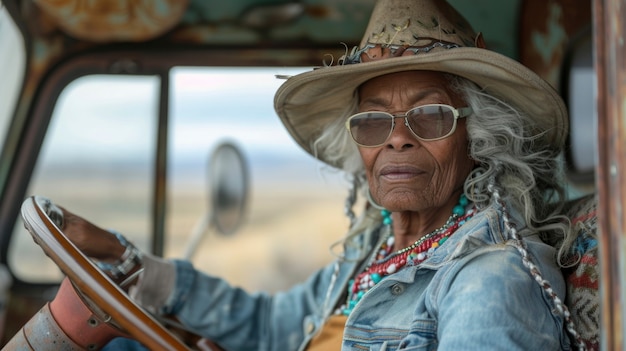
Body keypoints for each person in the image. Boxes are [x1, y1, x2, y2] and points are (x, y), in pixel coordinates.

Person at [58, 0, 583, 349]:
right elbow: (270, 326)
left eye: (429, 116)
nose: (398, 138)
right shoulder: (374, 252)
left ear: (478, 140)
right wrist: (130, 263)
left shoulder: (489, 280)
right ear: (359, 145)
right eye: (374, 122)